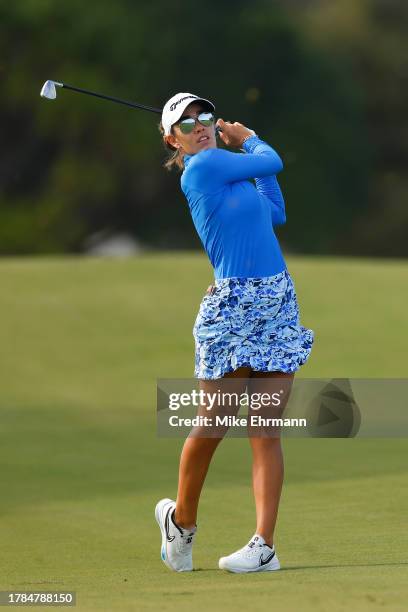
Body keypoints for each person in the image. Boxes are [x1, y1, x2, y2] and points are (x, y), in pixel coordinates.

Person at [154, 92, 314, 573]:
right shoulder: (201, 170)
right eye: (187, 124)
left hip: (278, 304)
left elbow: (275, 210)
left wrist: (252, 157)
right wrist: (249, 140)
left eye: (204, 116)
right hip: (233, 309)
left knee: (265, 429)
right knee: (213, 424)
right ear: (173, 140)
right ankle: (181, 524)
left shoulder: (233, 175)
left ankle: (263, 546)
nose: (200, 125)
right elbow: (275, 160)